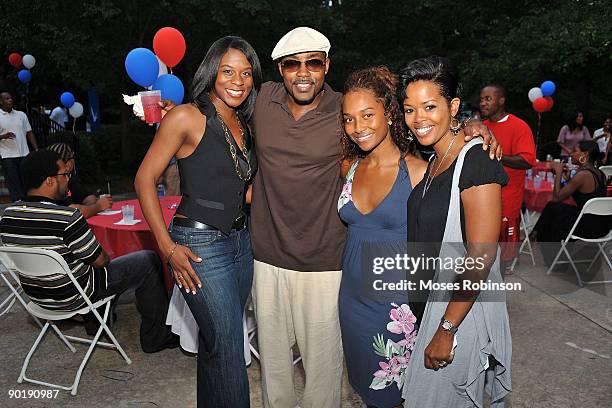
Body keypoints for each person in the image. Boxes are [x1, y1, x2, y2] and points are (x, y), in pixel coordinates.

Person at [134, 36, 261, 408]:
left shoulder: (243, 123)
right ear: (212, 72)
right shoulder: (187, 115)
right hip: (199, 246)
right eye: (228, 71)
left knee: (215, 344)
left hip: (240, 243)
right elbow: (144, 179)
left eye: (246, 73)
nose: (237, 81)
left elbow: (241, 188)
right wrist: (167, 247)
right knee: (229, 348)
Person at [399, 56, 512, 407]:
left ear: (454, 107)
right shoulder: (435, 159)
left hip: (456, 317)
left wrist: (446, 330)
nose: (419, 119)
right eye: (409, 109)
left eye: (430, 107)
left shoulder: (476, 159)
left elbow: (480, 254)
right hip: (430, 309)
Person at [0, 149, 176, 352]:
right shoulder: (66, 217)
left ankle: (97, 321)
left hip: (39, 297)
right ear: (49, 181)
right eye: (64, 175)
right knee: (147, 260)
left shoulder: (9, 215)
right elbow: (101, 261)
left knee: (99, 266)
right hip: (74, 295)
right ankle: (156, 337)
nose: (68, 180)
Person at [338, 67, 428, 408]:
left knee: (396, 398)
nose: (358, 127)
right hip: (351, 302)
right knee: (365, 389)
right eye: (349, 119)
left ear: (389, 113)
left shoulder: (418, 172)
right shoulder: (349, 166)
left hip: (396, 309)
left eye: (367, 115)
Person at [480, 84, 536, 271]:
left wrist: (498, 154)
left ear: (501, 100)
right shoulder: (483, 127)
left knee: (501, 259)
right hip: (482, 198)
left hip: (507, 199)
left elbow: (528, 160)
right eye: (481, 99)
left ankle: (498, 295)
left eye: (488, 99)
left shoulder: (519, 126)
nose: (483, 103)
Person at [531, 141, 611, 265]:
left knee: (553, 207)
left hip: (587, 227)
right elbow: (584, 194)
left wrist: (558, 173)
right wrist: (567, 178)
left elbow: (556, 197)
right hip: (602, 226)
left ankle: (542, 242)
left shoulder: (583, 175)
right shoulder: (600, 173)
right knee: (554, 208)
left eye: (575, 151)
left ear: (585, 154)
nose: (571, 154)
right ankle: (536, 235)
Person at [46, 142, 113, 217]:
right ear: (68, 164)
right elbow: (73, 212)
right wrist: (98, 207)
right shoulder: (54, 183)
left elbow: (89, 197)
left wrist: (87, 209)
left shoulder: (69, 179)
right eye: (72, 157)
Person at [0, 91, 39, 201]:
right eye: (7, 98)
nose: (10, 100)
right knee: (13, 182)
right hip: (7, 155)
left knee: (25, 180)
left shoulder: (21, 114)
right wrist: (3, 136)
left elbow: (29, 132)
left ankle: (27, 202)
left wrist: (36, 149)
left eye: (10, 98)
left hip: (24, 153)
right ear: (1, 102)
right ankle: (17, 205)